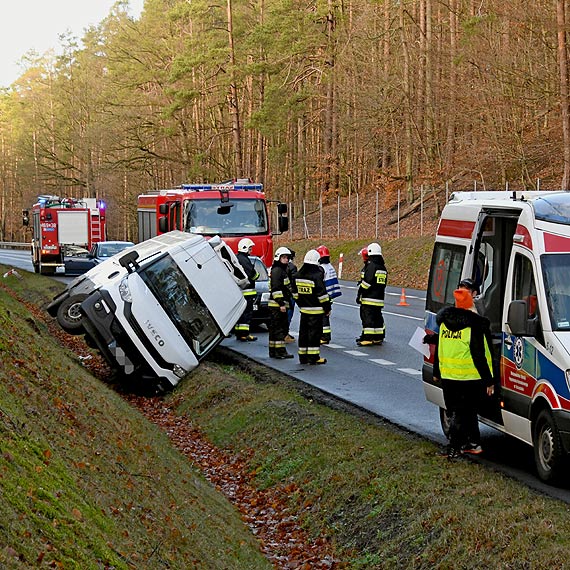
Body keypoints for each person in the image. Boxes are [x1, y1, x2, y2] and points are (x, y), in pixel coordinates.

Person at [433, 283, 495, 459]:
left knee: (456, 412)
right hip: (469, 378)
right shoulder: (474, 325)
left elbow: (440, 349)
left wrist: (437, 372)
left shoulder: (444, 323)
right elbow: (479, 356)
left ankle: (468, 444)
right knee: (465, 413)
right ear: (470, 304)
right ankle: (457, 447)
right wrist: (489, 380)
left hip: (449, 376)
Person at [295, 250, 331, 365]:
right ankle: (313, 357)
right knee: (314, 334)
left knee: (304, 333)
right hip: (316, 311)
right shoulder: (316, 276)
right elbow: (322, 294)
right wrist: (327, 308)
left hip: (304, 310)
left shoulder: (298, 275)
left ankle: (303, 357)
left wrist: (301, 304)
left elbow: (295, 294)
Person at [356, 242, 387, 346]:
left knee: (367, 317)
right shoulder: (382, 267)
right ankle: (378, 337)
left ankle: (368, 338)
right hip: (379, 298)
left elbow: (367, 282)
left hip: (369, 298)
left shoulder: (371, 266)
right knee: (377, 317)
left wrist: (360, 292)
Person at [268, 246, 295, 359]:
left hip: (278, 304)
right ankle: (280, 351)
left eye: (287, 258)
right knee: (280, 329)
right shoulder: (278, 271)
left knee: (275, 329)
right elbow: (276, 289)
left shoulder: (280, 270)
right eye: (283, 257)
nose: (286, 260)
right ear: (278, 258)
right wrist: (281, 304)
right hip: (278, 305)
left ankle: (274, 351)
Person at [234, 238, 260, 341]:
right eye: (250, 248)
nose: (251, 250)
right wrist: (256, 275)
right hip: (248, 292)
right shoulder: (245, 260)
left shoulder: (237, 258)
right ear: (245, 248)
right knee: (247, 313)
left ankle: (239, 333)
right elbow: (252, 275)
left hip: (240, 291)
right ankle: (245, 334)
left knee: (240, 313)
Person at [316, 245, 341, 344]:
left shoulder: (321, 269)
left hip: (324, 295)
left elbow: (319, 283)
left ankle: (324, 336)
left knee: (322, 316)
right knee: (325, 315)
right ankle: (325, 335)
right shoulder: (330, 267)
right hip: (330, 295)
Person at [285, 249, 298, 343]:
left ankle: (283, 333)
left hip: (281, 294)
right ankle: (285, 334)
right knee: (289, 313)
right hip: (290, 294)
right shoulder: (292, 267)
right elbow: (294, 281)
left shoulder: (278, 266)